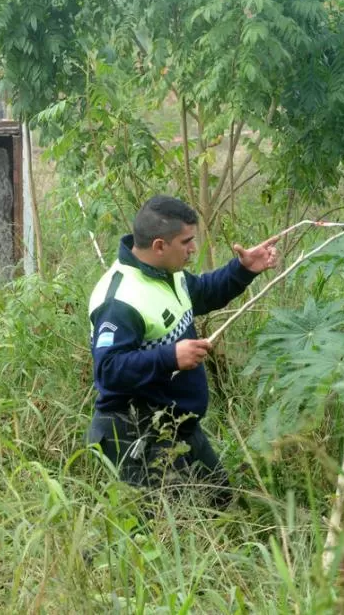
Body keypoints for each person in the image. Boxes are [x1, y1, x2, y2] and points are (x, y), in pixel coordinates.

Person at [86, 195, 278, 506]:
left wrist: (243, 269)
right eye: (186, 241)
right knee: (150, 536)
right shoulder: (119, 300)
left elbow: (202, 293)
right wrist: (171, 356)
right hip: (137, 435)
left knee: (223, 509)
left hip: (180, 427)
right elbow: (108, 370)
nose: (193, 249)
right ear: (159, 245)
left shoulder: (168, 273)